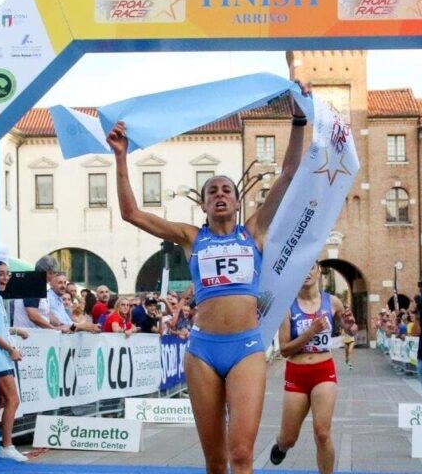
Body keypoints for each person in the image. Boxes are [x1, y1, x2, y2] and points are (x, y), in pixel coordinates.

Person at [107, 85, 307, 474]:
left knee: (242, 455)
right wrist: (120, 158)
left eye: (226, 190)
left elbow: (288, 174)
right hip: (202, 351)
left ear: (237, 201)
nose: (219, 194)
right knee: (215, 462)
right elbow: (132, 213)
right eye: (211, 191)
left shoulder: (254, 231)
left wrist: (298, 119)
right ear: (203, 204)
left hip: (246, 348)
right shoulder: (191, 237)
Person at [269, 262, 357, 473]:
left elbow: (352, 329)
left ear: (318, 271)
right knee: (289, 438)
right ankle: (281, 445)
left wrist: (350, 326)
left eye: (310, 267)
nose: (306, 273)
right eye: (302, 268)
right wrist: (310, 332)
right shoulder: (288, 305)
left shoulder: (332, 302)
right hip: (296, 373)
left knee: (322, 434)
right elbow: (285, 350)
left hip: (323, 371)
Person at [0, 261, 29, 462]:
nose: (5, 278)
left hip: (2, 354)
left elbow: (0, 327)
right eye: (1, 274)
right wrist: (11, 350)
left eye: (7, 274)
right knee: (12, 400)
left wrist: (16, 331)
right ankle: (7, 445)